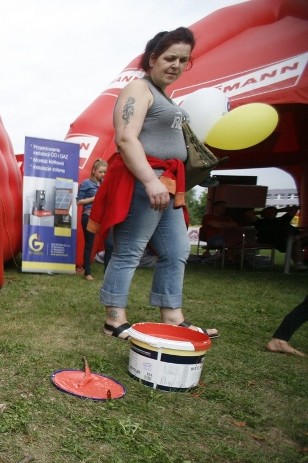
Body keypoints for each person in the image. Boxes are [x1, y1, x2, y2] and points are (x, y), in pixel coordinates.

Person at [87, 27, 218, 341]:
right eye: (169, 57)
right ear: (152, 58)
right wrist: (149, 180)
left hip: (169, 182)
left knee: (177, 250)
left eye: (183, 60)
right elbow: (125, 137)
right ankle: (114, 320)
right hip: (143, 180)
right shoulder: (138, 88)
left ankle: (172, 316)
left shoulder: (165, 96)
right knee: (129, 249)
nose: (175, 64)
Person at [77, 158, 107, 280]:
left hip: (103, 217)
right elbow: (79, 202)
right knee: (89, 244)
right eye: (100, 172)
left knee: (109, 244)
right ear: (94, 170)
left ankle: (107, 273)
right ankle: (87, 273)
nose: (103, 175)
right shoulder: (86, 183)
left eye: (105, 172)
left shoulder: (105, 183)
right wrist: (95, 198)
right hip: (89, 216)